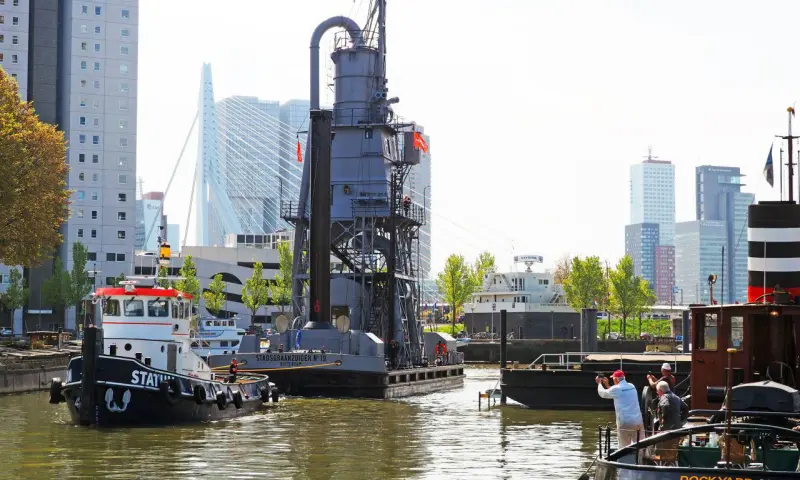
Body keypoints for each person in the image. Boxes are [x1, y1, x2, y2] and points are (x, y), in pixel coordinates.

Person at [597, 370, 645, 448]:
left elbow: (602, 393)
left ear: (616, 379)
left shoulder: (616, 389)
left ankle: (625, 456)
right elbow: (616, 392)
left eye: (613, 379)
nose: (613, 380)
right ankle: (643, 455)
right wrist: (607, 385)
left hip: (625, 423)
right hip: (638, 421)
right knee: (640, 445)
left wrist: (599, 383)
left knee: (624, 447)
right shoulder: (632, 386)